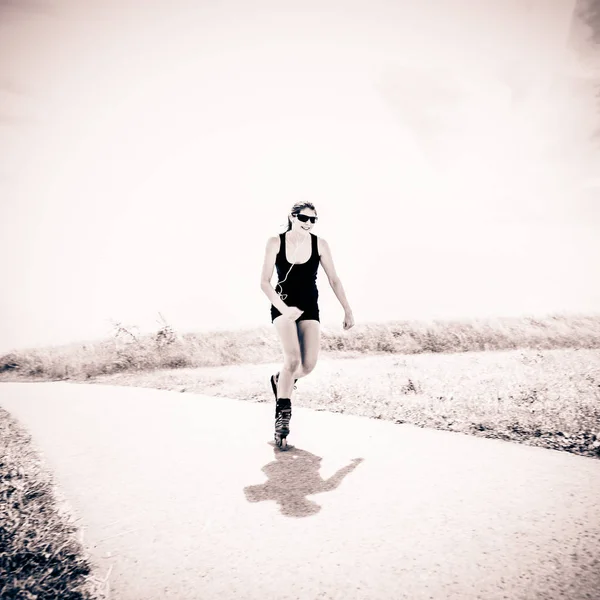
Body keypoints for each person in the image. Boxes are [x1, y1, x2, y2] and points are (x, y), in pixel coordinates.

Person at [260, 201, 354, 449]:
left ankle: (280, 380)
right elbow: (264, 283)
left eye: (314, 219)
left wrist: (347, 308)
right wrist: (284, 309)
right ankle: (283, 417)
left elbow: (334, 278)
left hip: (310, 308)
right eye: (305, 218)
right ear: (293, 216)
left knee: (308, 365)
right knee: (292, 360)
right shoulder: (275, 242)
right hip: (283, 306)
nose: (309, 223)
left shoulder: (319, 244)